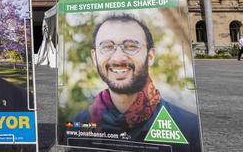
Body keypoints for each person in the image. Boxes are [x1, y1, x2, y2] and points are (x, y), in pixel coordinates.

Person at [74, 14, 200, 151]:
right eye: (107, 47)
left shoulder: (189, 127)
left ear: (150, 56)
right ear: (94, 57)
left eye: (131, 46)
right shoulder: (80, 123)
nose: (118, 58)